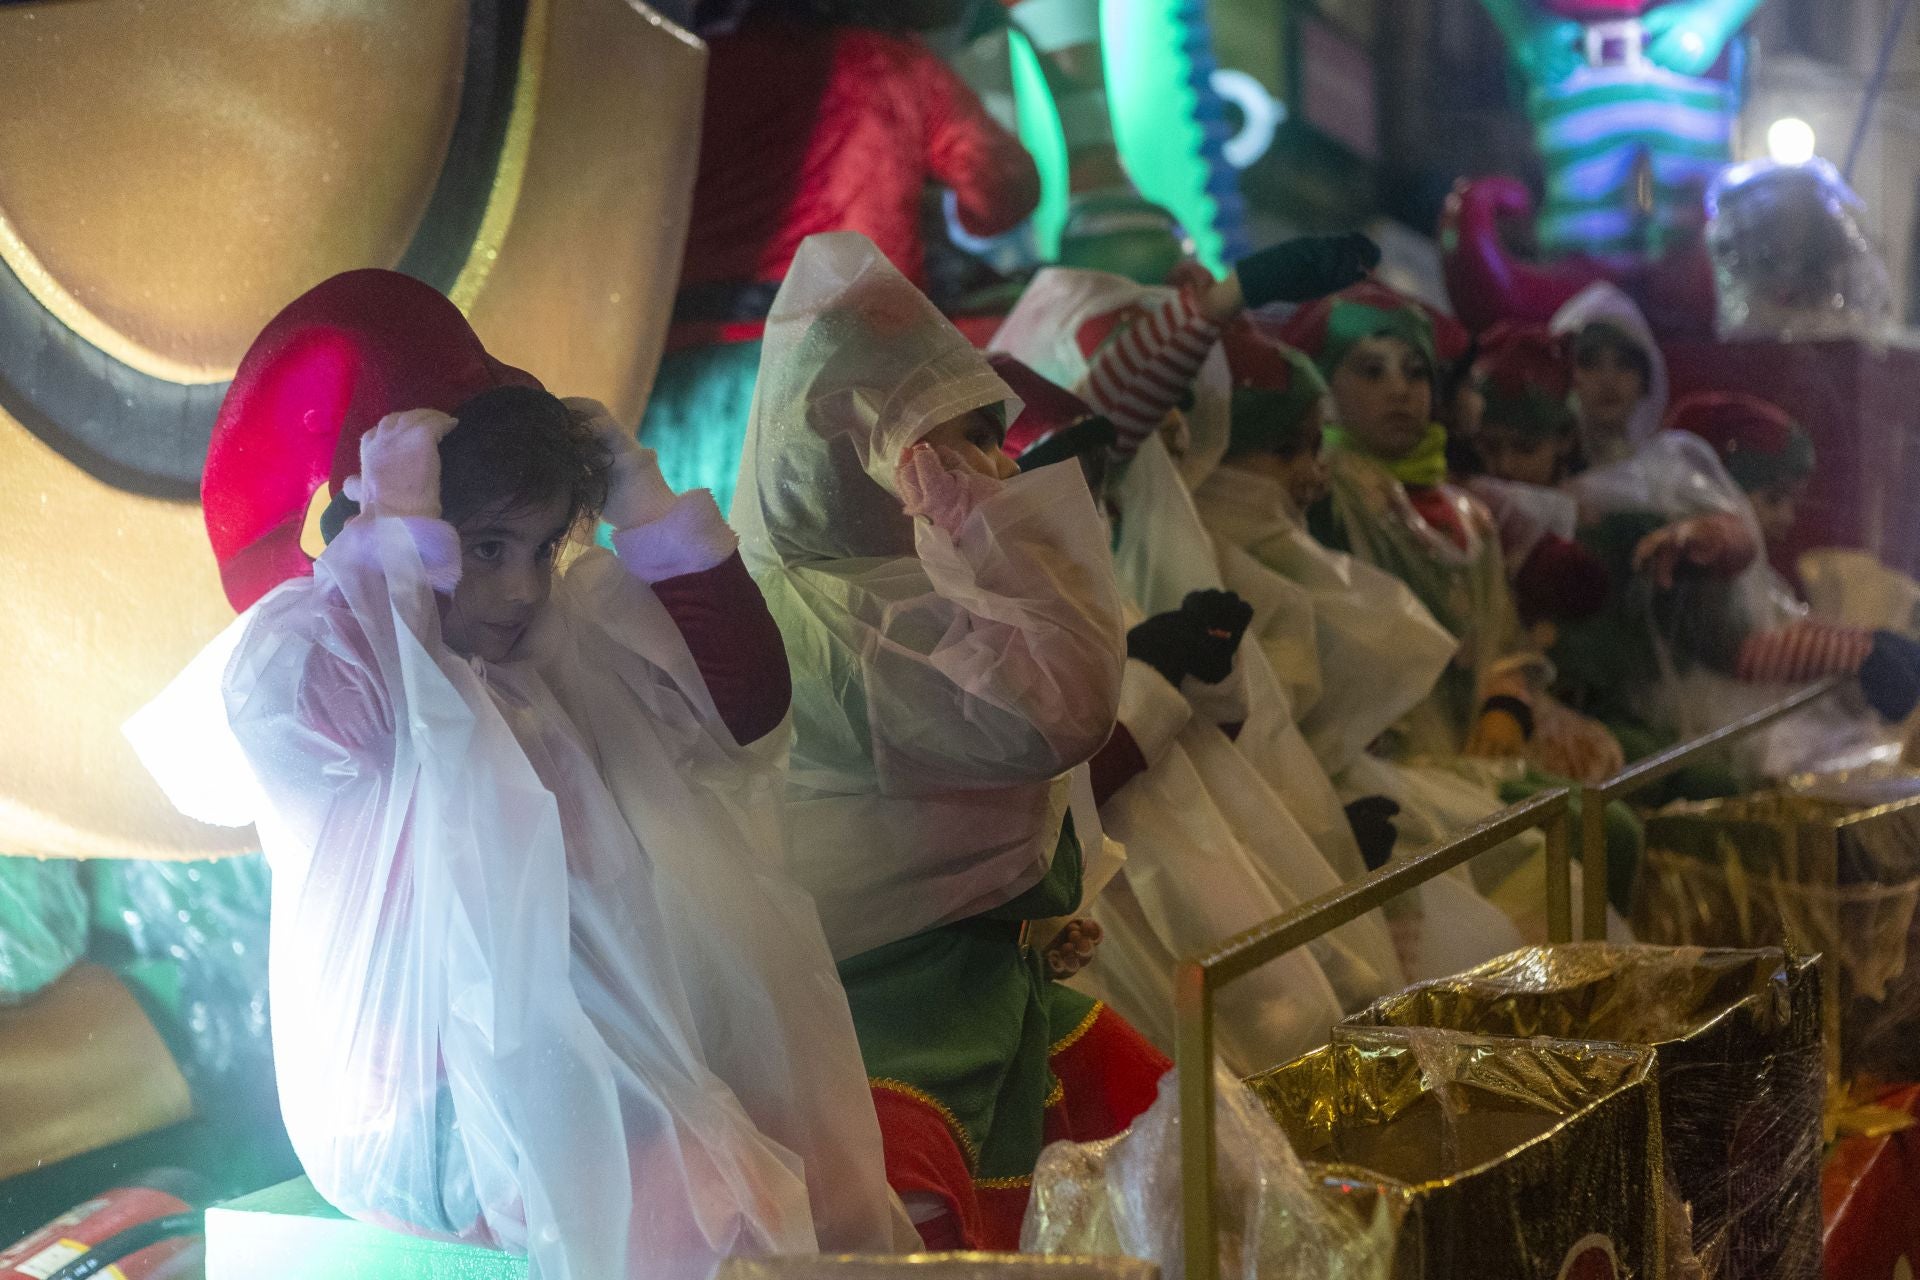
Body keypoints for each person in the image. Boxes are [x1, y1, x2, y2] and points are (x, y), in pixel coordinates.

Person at [127, 270, 905, 1279]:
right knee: (729, 1213)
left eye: (540, 548)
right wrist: (392, 549)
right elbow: (372, 711)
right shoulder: (311, 654)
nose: (518, 586)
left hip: (585, 1067)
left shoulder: (545, 657)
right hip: (424, 1110)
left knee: (814, 1179)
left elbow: (742, 708)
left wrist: (648, 505)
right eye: (485, 544)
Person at [731, 232, 1167, 1250]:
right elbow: (1062, 705)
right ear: (871, 457)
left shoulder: (919, 584)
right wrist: (974, 522)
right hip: (887, 1031)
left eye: (986, 438)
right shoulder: (813, 618)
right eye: (955, 439)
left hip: (992, 1000)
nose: (989, 467)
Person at [645, 0, 1041, 513]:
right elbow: (1005, 188)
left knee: (674, 575)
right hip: (840, 373)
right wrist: (945, 215)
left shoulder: (695, 59)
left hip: (678, 366)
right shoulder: (894, 62)